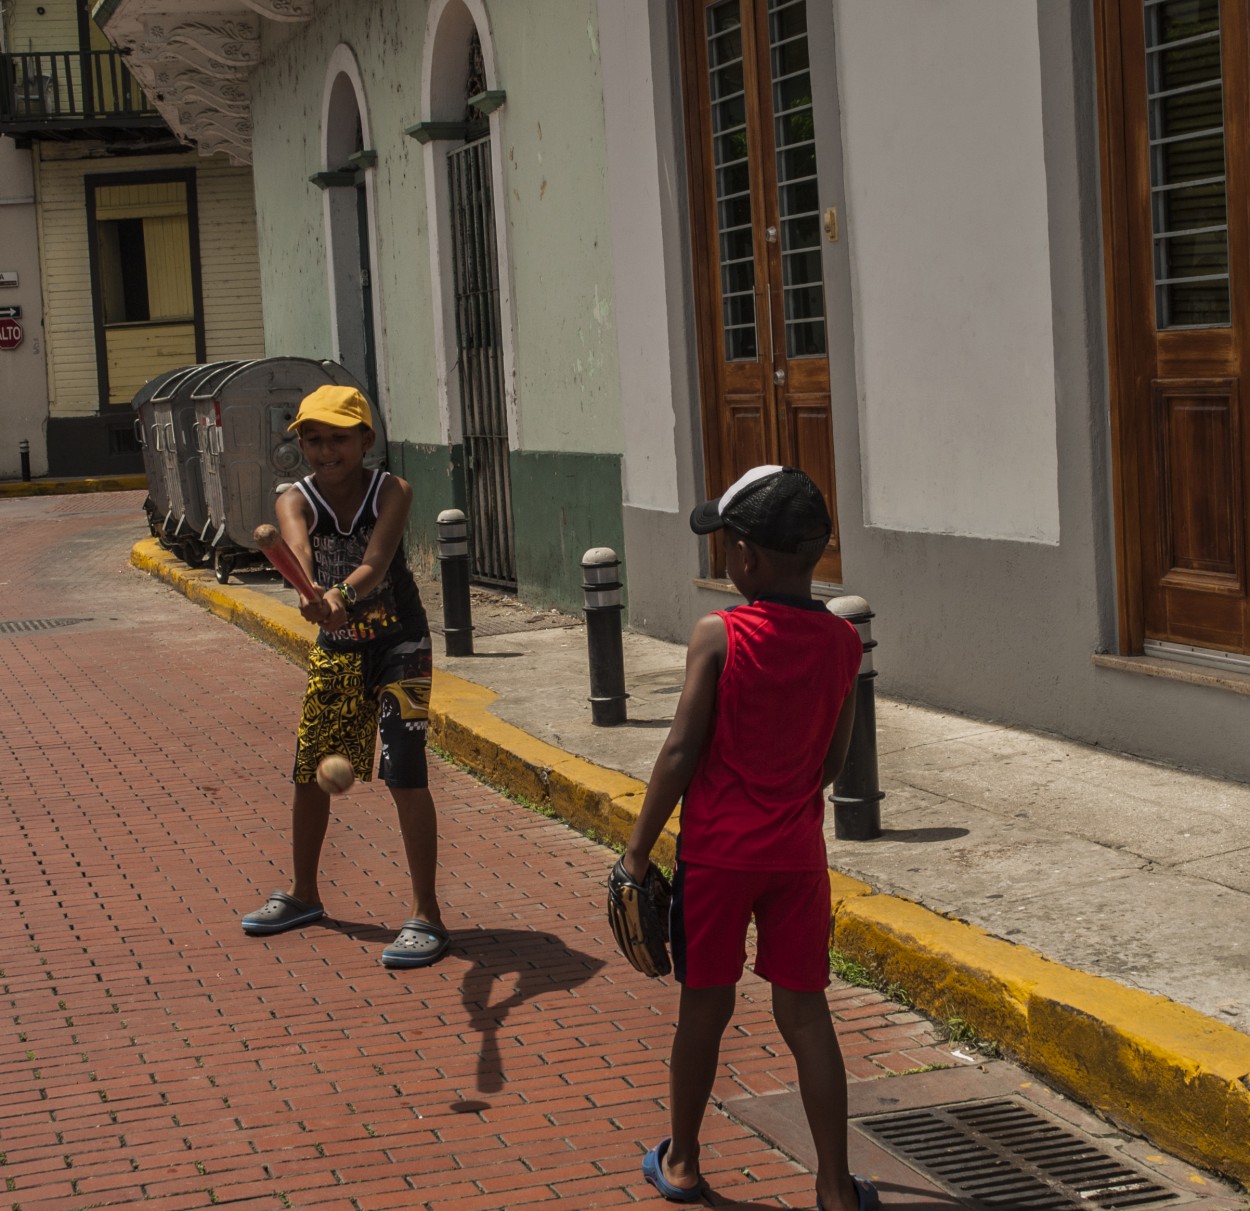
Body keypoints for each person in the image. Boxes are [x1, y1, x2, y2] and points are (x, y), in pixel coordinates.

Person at [623, 466, 878, 1211]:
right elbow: (833, 761)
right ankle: (833, 1186)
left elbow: (679, 751)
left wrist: (637, 851)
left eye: (727, 544)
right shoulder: (839, 642)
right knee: (806, 1014)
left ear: (746, 559)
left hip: (716, 857)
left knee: (705, 1006)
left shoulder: (719, 634)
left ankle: (684, 1161)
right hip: (798, 858)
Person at [241, 384, 447, 969]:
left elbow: (376, 562)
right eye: (313, 438)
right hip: (338, 649)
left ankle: (426, 912)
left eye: (338, 437)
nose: (326, 450)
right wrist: (310, 593)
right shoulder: (294, 498)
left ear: (366, 440)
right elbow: (297, 549)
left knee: (405, 771)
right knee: (312, 771)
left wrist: (338, 593)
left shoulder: (393, 490)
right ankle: (305, 894)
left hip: (400, 644)